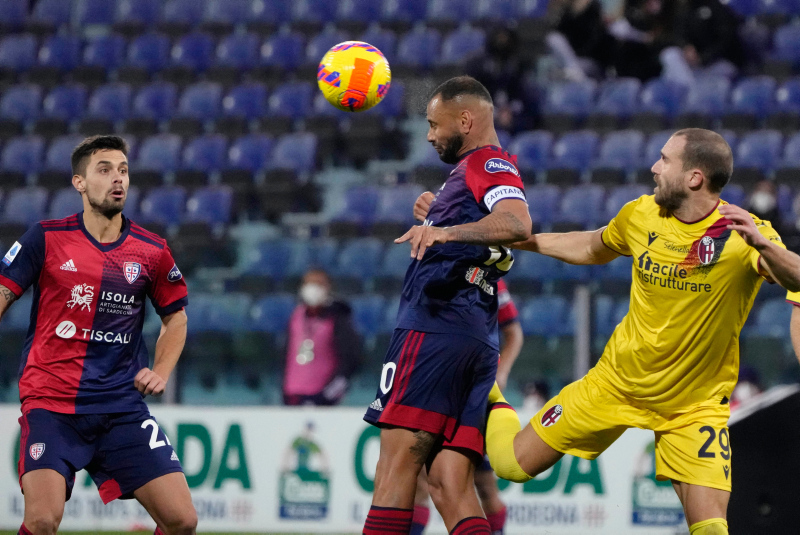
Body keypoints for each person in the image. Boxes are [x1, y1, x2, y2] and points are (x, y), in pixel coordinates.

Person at [453, 128, 800, 535]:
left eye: (665, 160)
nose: (654, 167)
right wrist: (521, 239)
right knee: (511, 464)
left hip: (692, 407)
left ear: (694, 178)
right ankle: (488, 389)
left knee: (710, 527)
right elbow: (590, 246)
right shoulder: (641, 214)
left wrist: (763, 244)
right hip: (615, 384)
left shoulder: (744, 235)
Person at [0, 135, 197, 535]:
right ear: (80, 183)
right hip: (52, 404)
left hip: (121, 405)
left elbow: (176, 318)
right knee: (41, 520)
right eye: (104, 170)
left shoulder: (151, 250)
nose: (117, 179)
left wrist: (160, 369)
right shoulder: (46, 237)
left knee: (182, 520)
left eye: (123, 170)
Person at [361, 76, 532, 535]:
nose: (430, 135)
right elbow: (491, 226)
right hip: (474, 337)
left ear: (466, 120)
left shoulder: (486, 162)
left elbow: (516, 221)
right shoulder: (474, 174)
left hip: (435, 331)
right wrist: (438, 212)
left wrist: (444, 230)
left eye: (435, 124)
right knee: (448, 482)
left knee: (395, 469)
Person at [410, 278, 524, 535]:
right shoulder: (435, 271)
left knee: (482, 485)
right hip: (435, 387)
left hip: (474, 394)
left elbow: (514, 333)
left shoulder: (489, 279)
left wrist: (501, 373)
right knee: (418, 480)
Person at [282, 268, 362, 406]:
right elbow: (286, 354)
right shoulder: (296, 316)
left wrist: (329, 394)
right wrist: (284, 389)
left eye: (318, 284)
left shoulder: (337, 318)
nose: (312, 289)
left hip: (323, 396)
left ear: (327, 288)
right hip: (293, 393)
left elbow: (350, 360)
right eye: (308, 284)